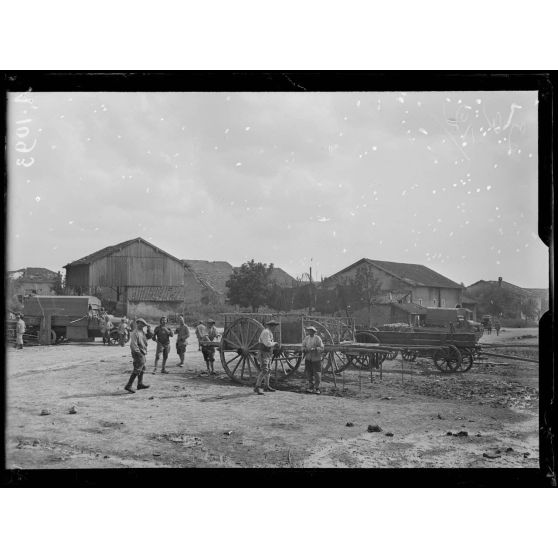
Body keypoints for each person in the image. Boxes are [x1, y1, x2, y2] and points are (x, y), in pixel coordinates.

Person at [125, 318, 153, 393]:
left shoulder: (142, 332)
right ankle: (129, 385)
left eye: (143, 324)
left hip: (142, 352)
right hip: (138, 353)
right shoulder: (135, 332)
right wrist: (138, 353)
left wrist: (149, 329)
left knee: (142, 368)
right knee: (137, 369)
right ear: (138, 323)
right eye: (141, 323)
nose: (142, 325)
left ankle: (140, 384)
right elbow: (133, 345)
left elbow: (149, 336)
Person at [254, 320, 279, 395]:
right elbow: (267, 343)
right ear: (270, 326)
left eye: (275, 326)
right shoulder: (266, 332)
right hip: (263, 353)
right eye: (274, 326)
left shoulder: (269, 332)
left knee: (269, 370)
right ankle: (257, 387)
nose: (275, 327)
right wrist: (275, 343)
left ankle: (266, 386)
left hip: (268, 353)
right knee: (264, 370)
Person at [302, 325, 324, 394]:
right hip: (308, 358)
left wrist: (315, 349)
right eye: (309, 331)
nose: (310, 332)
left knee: (317, 373)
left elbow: (322, 348)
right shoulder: (306, 338)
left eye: (311, 331)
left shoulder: (318, 338)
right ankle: (310, 386)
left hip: (316, 358)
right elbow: (303, 346)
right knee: (309, 372)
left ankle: (317, 388)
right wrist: (305, 349)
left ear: (314, 332)